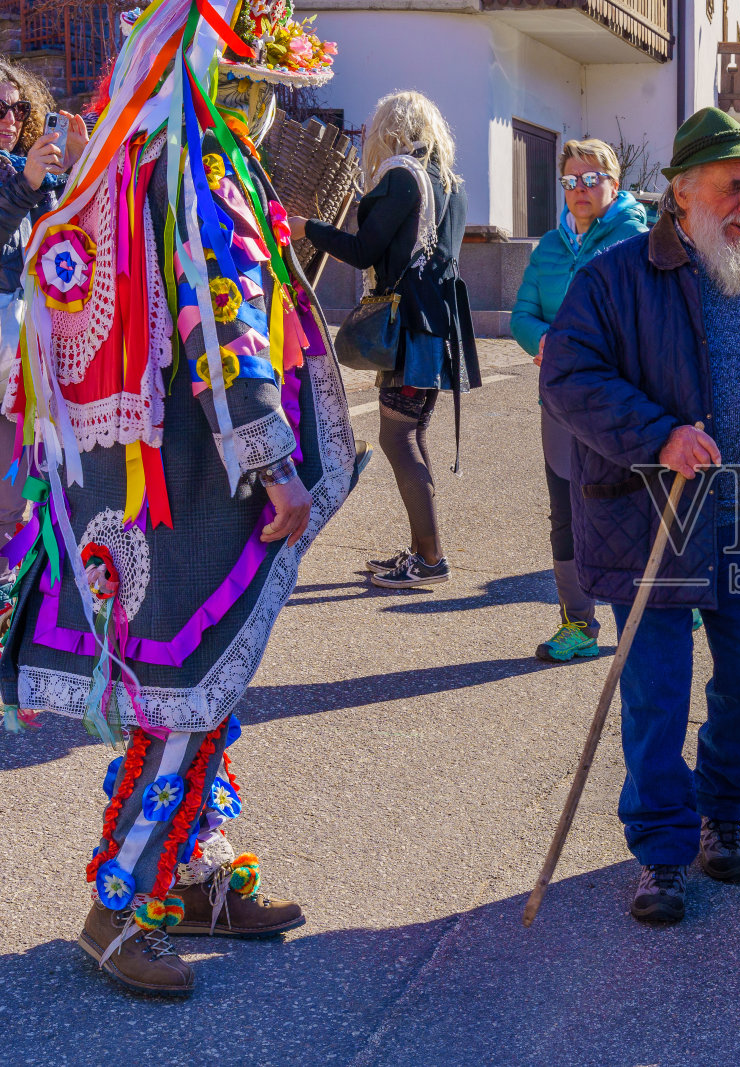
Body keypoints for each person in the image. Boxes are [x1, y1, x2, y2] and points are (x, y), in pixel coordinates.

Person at [0, 0, 353, 996]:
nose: (273, 114)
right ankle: (118, 907)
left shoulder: (135, 163)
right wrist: (274, 462)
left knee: (200, 686)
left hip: (155, 483)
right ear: (221, 86)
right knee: (187, 697)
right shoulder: (201, 176)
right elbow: (224, 318)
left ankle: (196, 875)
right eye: (260, 90)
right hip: (203, 485)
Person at [541, 108, 740, 924]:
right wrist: (658, 435)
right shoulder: (616, 277)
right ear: (682, 191)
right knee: (657, 697)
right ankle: (664, 850)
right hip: (655, 520)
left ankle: (721, 806)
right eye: (731, 184)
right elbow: (567, 374)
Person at [294, 90, 481, 589]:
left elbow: (362, 250)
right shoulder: (450, 182)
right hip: (437, 329)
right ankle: (423, 552)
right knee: (411, 435)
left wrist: (306, 228)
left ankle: (431, 559)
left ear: (389, 130)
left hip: (410, 328)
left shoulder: (401, 175)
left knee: (397, 437)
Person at [511, 138, 647, 662]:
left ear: (614, 184)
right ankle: (578, 626)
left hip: (620, 402)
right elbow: (522, 314)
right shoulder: (548, 247)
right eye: (571, 181)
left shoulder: (635, 240)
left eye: (592, 179)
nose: (580, 190)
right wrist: (542, 341)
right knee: (566, 511)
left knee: (629, 507)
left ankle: (656, 602)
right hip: (561, 404)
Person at [0, 61, 86, 544]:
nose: (10, 119)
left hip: (23, 360)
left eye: (19, 107)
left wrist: (75, 167)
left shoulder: (30, 173)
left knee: (17, 497)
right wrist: (26, 184)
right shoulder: (24, 177)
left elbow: (69, 244)